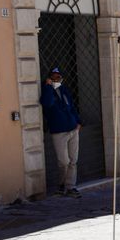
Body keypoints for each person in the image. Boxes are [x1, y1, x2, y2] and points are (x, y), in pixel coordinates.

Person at [40, 66, 82, 197]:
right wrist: (48, 87)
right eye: (53, 76)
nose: (56, 78)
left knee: (73, 160)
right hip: (58, 131)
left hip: (73, 128)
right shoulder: (47, 91)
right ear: (49, 78)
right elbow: (46, 103)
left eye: (58, 77)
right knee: (64, 161)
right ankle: (61, 184)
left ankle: (71, 187)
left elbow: (72, 106)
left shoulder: (64, 90)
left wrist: (78, 121)